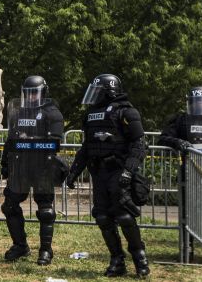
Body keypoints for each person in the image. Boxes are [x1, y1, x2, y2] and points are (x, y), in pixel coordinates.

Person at [66, 74, 150, 277]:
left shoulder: (126, 112)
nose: (93, 96)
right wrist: (74, 171)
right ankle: (117, 260)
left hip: (119, 170)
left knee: (124, 217)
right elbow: (87, 147)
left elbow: (140, 144)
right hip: (100, 173)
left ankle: (140, 260)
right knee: (103, 217)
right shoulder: (91, 114)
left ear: (109, 91)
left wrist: (129, 171)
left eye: (98, 92)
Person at [1, 76, 65, 265]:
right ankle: (20, 246)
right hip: (20, 166)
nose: (30, 97)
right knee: (10, 206)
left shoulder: (52, 113)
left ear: (43, 92)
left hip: (43, 167)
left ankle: (46, 250)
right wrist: (5, 164)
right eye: (27, 93)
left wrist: (30, 138)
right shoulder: (18, 113)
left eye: (34, 92)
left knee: (45, 210)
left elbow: (55, 141)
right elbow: (10, 140)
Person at [157, 86, 202, 264]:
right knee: (187, 215)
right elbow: (163, 138)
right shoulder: (181, 120)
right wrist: (177, 142)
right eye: (194, 101)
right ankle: (186, 250)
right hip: (188, 175)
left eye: (201, 101)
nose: (198, 104)